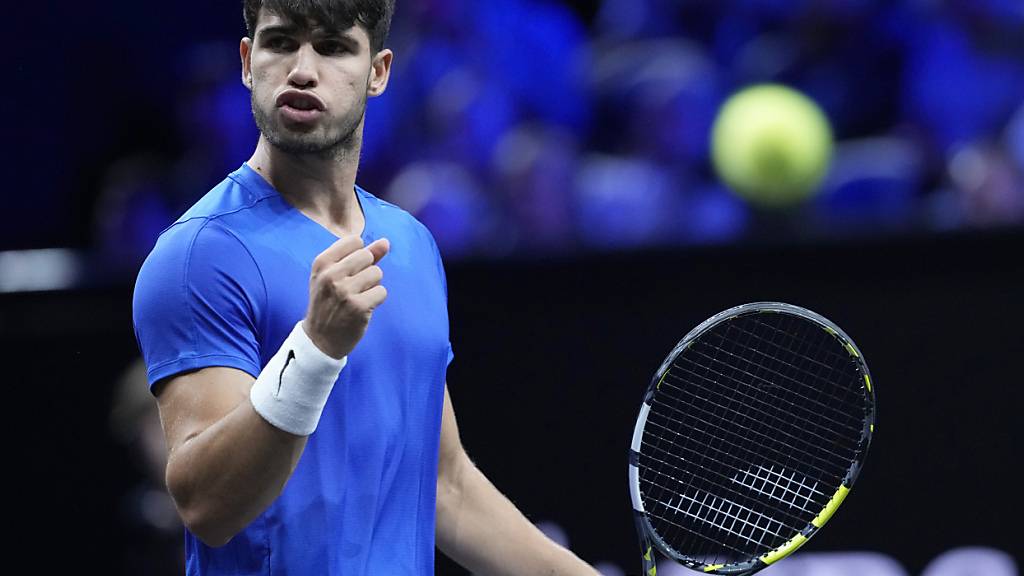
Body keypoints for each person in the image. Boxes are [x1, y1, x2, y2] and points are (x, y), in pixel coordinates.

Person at [131, 1, 598, 574]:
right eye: (280, 44)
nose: (302, 69)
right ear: (249, 62)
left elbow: (445, 488)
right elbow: (207, 505)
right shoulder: (196, 256)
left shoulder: (412, 244)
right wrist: (316, 349)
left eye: (331, 46)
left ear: (377, 72)